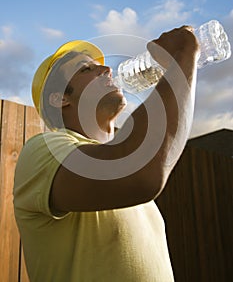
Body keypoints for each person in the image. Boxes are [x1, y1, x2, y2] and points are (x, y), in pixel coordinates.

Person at [13, 26, 200, 282]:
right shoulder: (43, 151)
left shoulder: (127, 173)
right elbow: (142, 173)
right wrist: (183, 55)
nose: (107, 69)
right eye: (86, 69)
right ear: (60, 99)